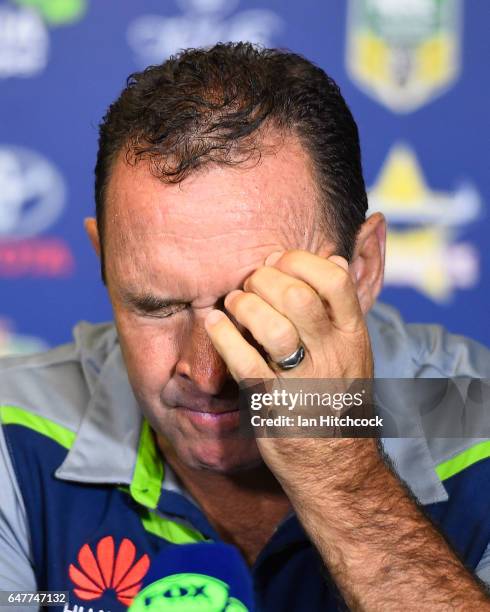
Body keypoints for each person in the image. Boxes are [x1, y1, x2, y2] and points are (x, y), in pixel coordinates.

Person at [0, 42, 489, 611]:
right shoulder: (12, 436)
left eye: (252, 304)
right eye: (157, 307)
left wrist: (339, 473)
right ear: (104, 261)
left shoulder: (478, 430)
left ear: (363, 269)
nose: (207, 374)